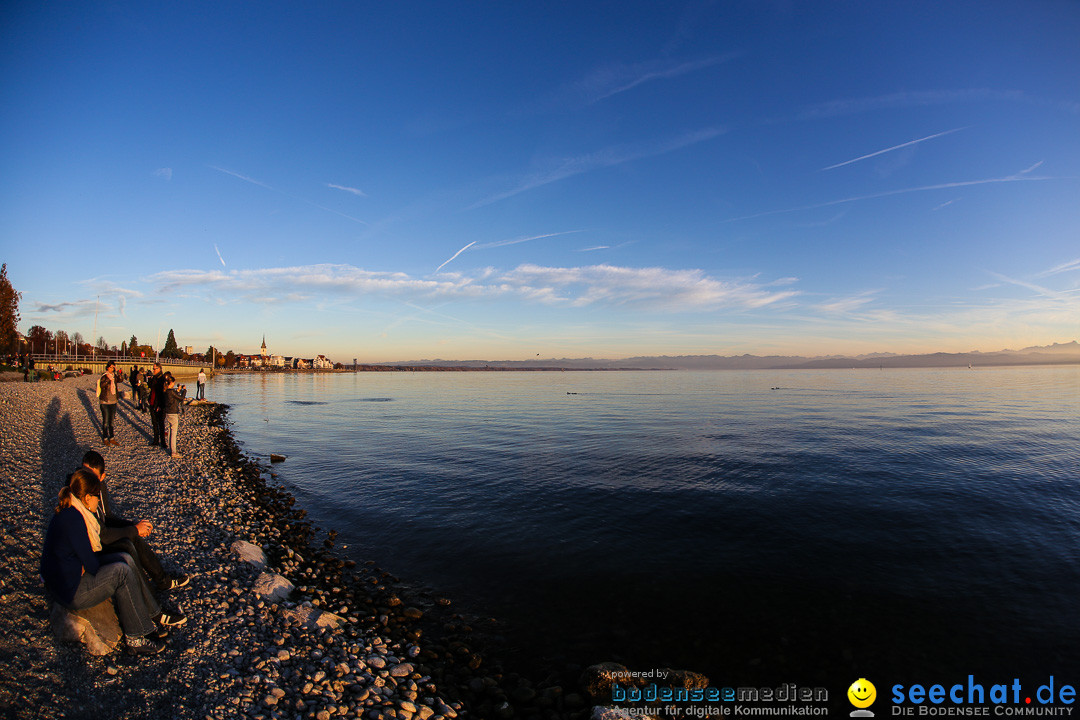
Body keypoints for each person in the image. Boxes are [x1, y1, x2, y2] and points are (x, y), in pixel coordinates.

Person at [41, 469, 166, 655]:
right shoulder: (75, 520)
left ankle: (147, 617)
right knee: (121, 571)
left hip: (69, 578)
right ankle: (136, 639)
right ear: (87, 498)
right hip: (70, 591)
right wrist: (96, 566)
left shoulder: (74, 510)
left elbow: (87, 560)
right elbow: (92, 565)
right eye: (97, 497)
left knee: (125, 558)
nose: (99, 501)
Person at [79, 451, 189, 593]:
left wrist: (133, 525)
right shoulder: (81, 492)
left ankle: (162, 582)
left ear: (102, 477)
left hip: (101, 535)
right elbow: (102, 535)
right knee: (128, 544)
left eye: (92, 476)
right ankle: (150, 599)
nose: (88, 481)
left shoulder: (100, 487)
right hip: (92, 548)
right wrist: (134, 529)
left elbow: (107, 517)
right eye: (84, 473)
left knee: (133, 534)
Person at [163, 374, 187, 459]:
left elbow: (174, 397)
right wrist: (184, 391)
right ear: (172, 382)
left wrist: (178, 391)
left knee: (170, 430)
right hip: (173, 413)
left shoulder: (166, 390)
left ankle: (171, 448)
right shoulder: (171, 391)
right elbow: (181, 398)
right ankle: (174, 452)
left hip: (168, 412)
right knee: (174, 432)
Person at [98, 361, 119, 446]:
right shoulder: (104, 376)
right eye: (111, 367)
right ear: (107, 367)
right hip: (105, 401)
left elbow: (121, 379)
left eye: (113, 367)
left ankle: (112, 437)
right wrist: (108, 379)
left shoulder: (115, 376)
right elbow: (101, 385)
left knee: (112, 421)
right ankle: (105, 438)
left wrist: (117, 372)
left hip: (113, 401)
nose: (112, 369)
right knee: (105, 421)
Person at [148, 363, 167, 448]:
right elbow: (151, 388)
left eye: (154, 369)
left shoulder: (162, 379)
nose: (153, 370)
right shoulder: (154, 378)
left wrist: (160, 405)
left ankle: (163, 442)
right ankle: (156, 440)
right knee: (154, 423)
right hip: (152, 403)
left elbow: (162, 394)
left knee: (161, 424)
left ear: (159, 369)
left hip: (159, 404)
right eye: (153, 369)